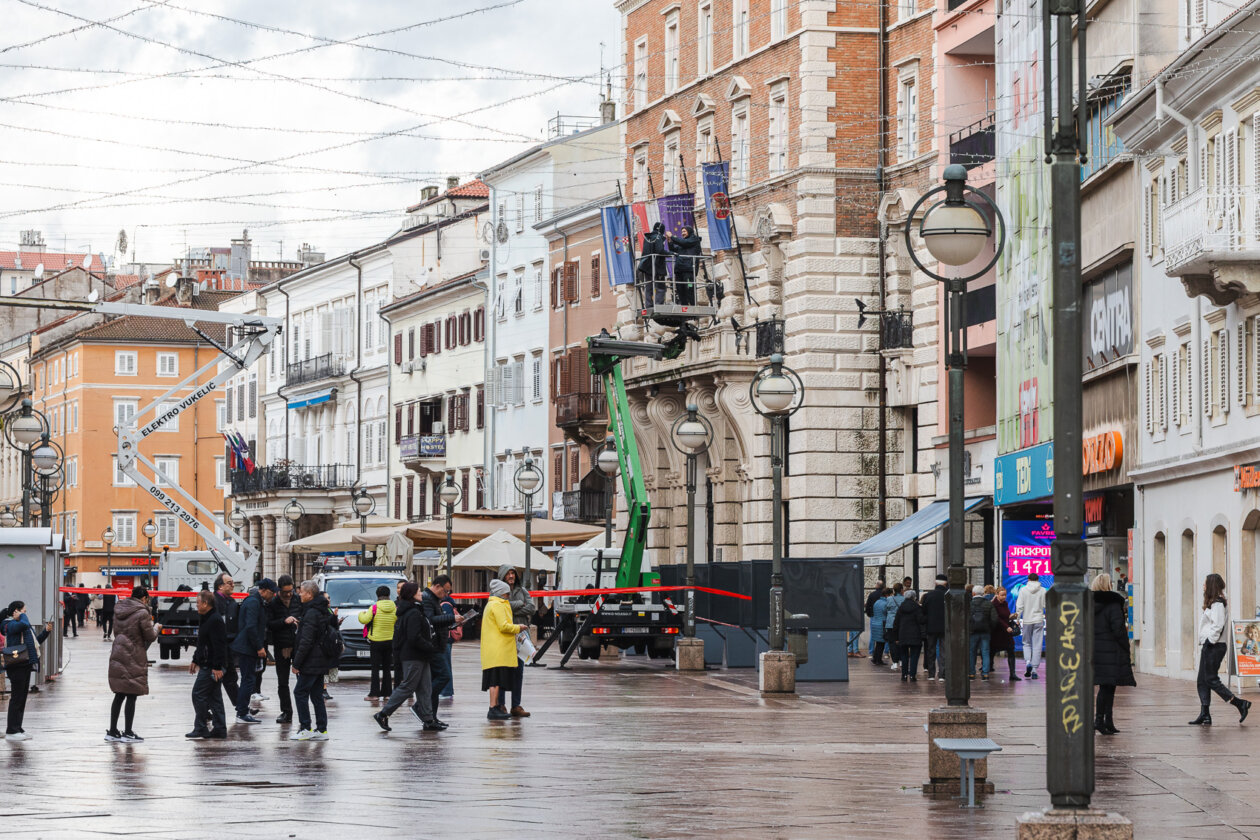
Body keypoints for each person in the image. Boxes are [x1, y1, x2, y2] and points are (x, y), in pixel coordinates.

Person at [374, 581, 446, 733]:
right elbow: (414, 637)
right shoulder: (412, 612)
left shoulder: (414, 609)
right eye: (419, 592)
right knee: (408, 686)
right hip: (413, 656)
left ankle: (428, 719)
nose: (421, 594)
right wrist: (430, 647)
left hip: (421, 655)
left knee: (425, 687)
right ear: (412, 594)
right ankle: (383, 714)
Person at [1189, 573, 1252, 725]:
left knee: (1210, 679)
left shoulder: (1218, 603)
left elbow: (1217, 626)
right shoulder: (1215, 602)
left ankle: (1239, 703)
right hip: (1212, 645)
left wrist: (1210, 642)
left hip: (1214, 646)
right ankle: (1205, 714)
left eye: (1205, 583)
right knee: (1202, 681)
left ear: (1211, 585)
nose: (1203, 586)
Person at [105, 586, 160, 742]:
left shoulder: (119, 610)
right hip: (133, 655)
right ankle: (128, 732)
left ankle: (112, 731)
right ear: (143, 599)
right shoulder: (142, 613)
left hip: (118, 653)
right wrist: (156, 628)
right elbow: (150, 636)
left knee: (119, 693)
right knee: (132, 694)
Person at [290, 580, 336, 741]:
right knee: (316, 694)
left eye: (301, 592)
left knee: (300, 692)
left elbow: (306, 640)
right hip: (321, 658)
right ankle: (322, 729)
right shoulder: (323, 609)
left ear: (309, 594)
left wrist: (296, 663)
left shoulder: (311, 612)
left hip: (311, 660)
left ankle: (305, 727)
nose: (299, 594)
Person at [1089, 573, 1134, 735]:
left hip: (1095, 650)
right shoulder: (1113, 604)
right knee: (1108, 687)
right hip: (1111, 650)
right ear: (1108, 585)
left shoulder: (1088, 605)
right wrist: (1125, 646)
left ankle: (1106, 721)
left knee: (1106, 686)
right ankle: (1101, 720)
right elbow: (1118, 629)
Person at [1, 601, 53, 741]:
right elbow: (24, 624)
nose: (26, 614)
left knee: (22, 698)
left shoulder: (21, 624)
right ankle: (11, 730)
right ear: (16, 612)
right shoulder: (9, 624)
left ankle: (18, 728)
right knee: (17, 698)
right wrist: (21, 616)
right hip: (16, 665)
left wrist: (46, 632)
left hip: (25, 664)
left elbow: (34, 641)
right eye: (24, 611)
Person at [230, 578, 276, 724]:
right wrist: (259, 647)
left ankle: (242, 710)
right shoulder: (254, 602)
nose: (274, 596)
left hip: (248, 646)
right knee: (248, 680)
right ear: (266, 591)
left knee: (248, 679)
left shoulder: (257, 602)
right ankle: (242, 712)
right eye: (273, 593)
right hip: (247, 647)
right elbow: (251, 627)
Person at [186, 591, 228, 740]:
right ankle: (220, 728)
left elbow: (219, 645)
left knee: (198, 694)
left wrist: (217, 666)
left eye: (198, 602)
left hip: (211, 666)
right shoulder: (206, 618)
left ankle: (201, 727)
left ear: (205, 603)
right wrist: (195, 659)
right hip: (208, 663)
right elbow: (202, 643)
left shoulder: (215, 620)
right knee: (214, 697)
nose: (196, 605)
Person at [482, 579, 525, 720]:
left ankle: (494, 707)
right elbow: (504, 626)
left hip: (494, 649)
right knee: (495, 681)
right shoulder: (498, 605)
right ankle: (493, 708)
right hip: (498, 649)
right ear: (502, 593)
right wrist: (519, 627)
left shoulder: (491, 604)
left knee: (495, 681)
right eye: (507, 593)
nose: (508, 596)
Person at [421, 574, 463, 716]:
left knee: (437, 677)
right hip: (433, 645)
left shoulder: (434, 598)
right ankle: (421, 705)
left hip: (438, 644)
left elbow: (438, 620)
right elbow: (430, 620)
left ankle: (431, 716)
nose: (446, 595)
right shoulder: (427, 598)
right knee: (444, 676)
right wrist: (451, 617)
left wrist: (453, 622)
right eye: (445, 591)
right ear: (437, 586)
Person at [498, 564, 536, 717]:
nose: (511, 576)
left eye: (513, 573)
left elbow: (532, 608)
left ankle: (516, 705)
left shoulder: (522, 590)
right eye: (508, 574)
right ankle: (501, 705)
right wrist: (520, 604)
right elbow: (500, 607)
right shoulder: (498, 591)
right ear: (503, 576)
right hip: (505, 635)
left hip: (520, 637)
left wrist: (511, 607)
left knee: (518, 671)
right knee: (503, 671)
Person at [266, 575, 300, 724]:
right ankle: (286, 712)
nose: (288, 594)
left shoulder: (298, 599)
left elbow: (305, 616)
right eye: (285, 592)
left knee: (302, 680)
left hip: (298, 645)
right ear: (279, 590)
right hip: (282, 647)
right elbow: (269, 624)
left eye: (291, 591)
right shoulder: (273, 603)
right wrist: (284, 621)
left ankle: (303, 711)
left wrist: (299, 620)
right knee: (282, 681)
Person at [358, 585, 397, 701]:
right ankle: (388, 693)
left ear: (377, 595)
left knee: (375, 668)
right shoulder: (394, 607)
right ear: (389, 595)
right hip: (390, 641)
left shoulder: (374, 607)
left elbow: (364, 620)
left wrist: (362, 614)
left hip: (376, 641)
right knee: (387, 668)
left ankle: (374, 694)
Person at [213, 573, 240, 706]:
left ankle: (242, 708)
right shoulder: (214, 601)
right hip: (218, 648)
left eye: (233, 582)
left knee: (230, 678)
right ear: (220, 586)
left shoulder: (231, 601)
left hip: (228, 647)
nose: (233, 585)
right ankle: (205, 712)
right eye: (229, 583)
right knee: (212, 682)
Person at [1015, 572, 1047, 679]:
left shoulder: (1023, 590)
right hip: (1038, 620)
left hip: (1027, 620)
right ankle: (1034, 669)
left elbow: (1019, 606)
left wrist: (1018, 618)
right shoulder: (1042, 590)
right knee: (1037, 644)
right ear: (1038, 580)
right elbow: (1045, 605)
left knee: (1026, 643)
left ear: (1028, 580)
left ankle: (1028, 661)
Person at [892, 590, 925, 682]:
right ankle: (912, 675)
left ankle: (904, 675)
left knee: (904, 656)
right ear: (914, 597)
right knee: (914, 656)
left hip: (903, 634)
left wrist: (896, 637)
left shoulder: (900, 608)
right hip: (915, 635)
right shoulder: (917, 608)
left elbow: (896, 624)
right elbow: (921, 620)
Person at [665, 225, 702, 305]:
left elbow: (685, 243)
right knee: (680, 288)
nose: (683, 233)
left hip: (688, 270)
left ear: (689, 231)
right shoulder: (682, 243)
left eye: (684, 231)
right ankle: (684, 305)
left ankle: (692, 304)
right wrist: (669, 241)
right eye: (682, 232)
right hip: (679, 269)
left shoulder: (694, 239)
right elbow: (674, 249)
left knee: (689, 287)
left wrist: (672, 237)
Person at [921, 574, 947, 681]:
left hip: (931, 627)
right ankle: (942, 674)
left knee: (930, 650)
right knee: (943, 651)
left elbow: (923, 612)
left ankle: (931, 674)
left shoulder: (928, 596)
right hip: (945, 627)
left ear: (935, 583)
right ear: (946, 583)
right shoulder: (948, 595)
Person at [991, 587, 1021, 682]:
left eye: (1005, 595)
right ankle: (988, 669)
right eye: (1002, 595)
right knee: (992, 651)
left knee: (1011, 650)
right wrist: (1006, 626)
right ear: (997, 594)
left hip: (1006, 632)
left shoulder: (1005, 604)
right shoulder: (993, 605)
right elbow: (997, 618)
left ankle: (1012, 674)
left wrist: (1012, 617)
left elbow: (1005, 616)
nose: (1004, 597)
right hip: (997, 632)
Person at [637, 222, 671, 305]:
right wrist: (671, 253)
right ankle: (659, 304)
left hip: (646, 266)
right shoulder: (658, 237)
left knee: (648, 286)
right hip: (657, 266)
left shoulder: (647, 238)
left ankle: (648, 305)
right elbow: (660, 250)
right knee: (661, 287)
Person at [967, 587, 996, 680]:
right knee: (985, 652)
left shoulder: (969, 604)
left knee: (971, 652)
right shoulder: (988, 604)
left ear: (973, 594)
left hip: (972, 632)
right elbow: (994, 619)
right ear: (983, 593)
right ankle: (985, 673)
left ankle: (971, 673)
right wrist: (989, 628)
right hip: (985, 632)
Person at [883, 583, 905, 671]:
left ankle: (894, 663)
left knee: (892, 643)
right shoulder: (904, 599)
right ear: (901, 590)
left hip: (890, 623)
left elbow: (885, 610)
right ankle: (901, 660)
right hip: (901, 623)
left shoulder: (889, 599)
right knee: (901, 642)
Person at [865, 579, 886, 659]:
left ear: (877, 585)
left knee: (873, 635)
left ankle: (871, 651)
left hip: (874, 617)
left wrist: (869, 614)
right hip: (883, 618)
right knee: (884, 636)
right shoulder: (884, 595)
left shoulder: (872, 594)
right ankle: (886, 652)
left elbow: (868, 606)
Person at [870, 585, 889, 665]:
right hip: (882, 624)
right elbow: (886, 613)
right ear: (887, 595)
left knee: (878, 643)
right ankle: (878, 660)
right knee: (881, 643)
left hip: (875, 623)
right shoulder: (885, 603)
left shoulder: (877, 602)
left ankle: (875, 658)